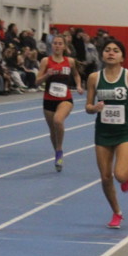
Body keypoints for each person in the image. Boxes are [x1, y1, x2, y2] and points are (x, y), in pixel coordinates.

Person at [85, 38, 128, 230]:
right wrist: (94, 108)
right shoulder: (94, 78)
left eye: (115, 50)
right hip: (103, 133)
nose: (111, 53)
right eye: (107, 50)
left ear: (122, 57)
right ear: (102, 55)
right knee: (106, 177)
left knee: (120, 175)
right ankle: (117, 212)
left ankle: (126, 176)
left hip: (124, 133)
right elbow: (88, 106)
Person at [36, 34, 82, 172]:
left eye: (60, 43)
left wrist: (78, 85)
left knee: (58, 120)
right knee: (53, 130)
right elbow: (37, 82)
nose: (57, 46)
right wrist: (47, 74)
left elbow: (76, 74)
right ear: (52, 45)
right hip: (49, 100)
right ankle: (57, 152)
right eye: (55, 43)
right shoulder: (45, 61)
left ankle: (60, 149)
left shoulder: (70, 61)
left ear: (64, 46)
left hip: (65, 99)